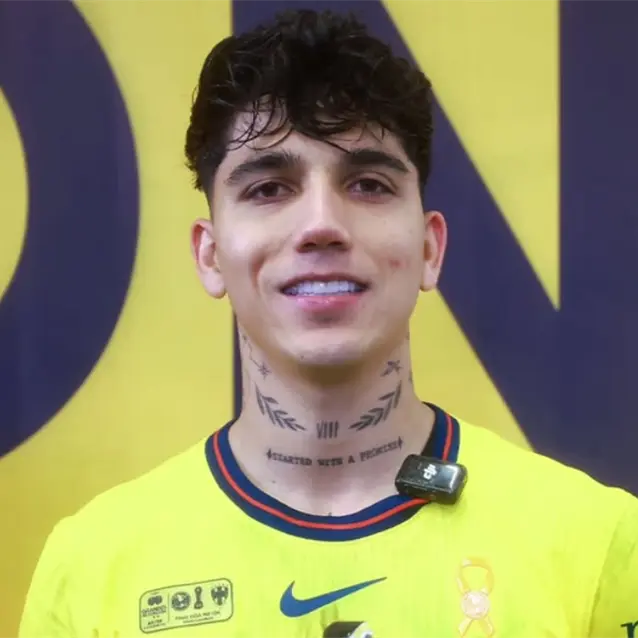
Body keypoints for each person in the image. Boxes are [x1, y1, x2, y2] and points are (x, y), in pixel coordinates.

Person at [19, 9, 638, 638]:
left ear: (430, 249)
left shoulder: (597, 544)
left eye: (367, 184)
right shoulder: (91, 568)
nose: (321, 224)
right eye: (268, 189)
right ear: (210, 255)